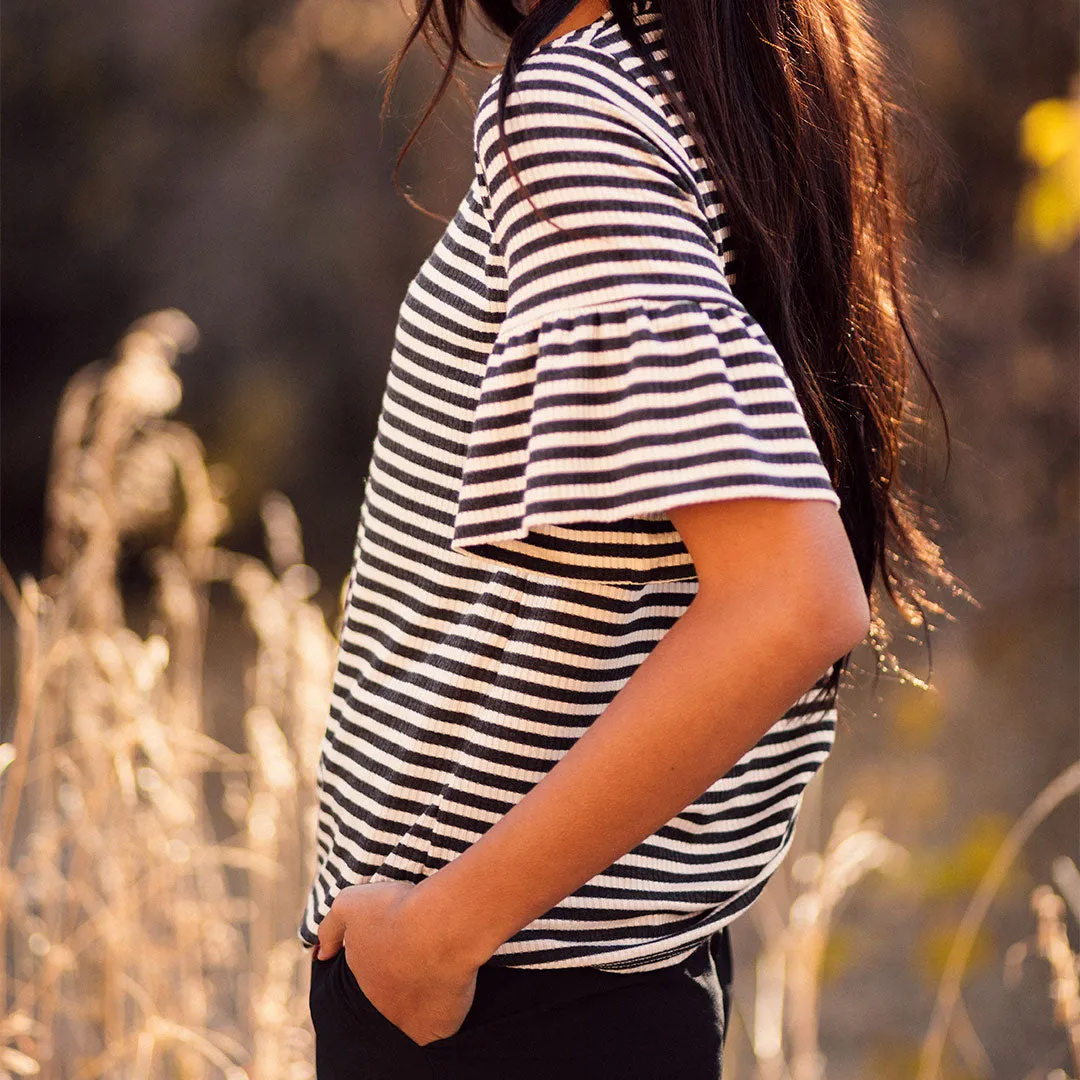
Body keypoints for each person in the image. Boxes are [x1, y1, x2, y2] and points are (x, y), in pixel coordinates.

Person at [299, 0, 954, 1075]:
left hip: (497, 990)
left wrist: (443, 931)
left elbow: (790, 601)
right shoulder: (723, 70)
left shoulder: (577, 112)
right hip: (590, 972)